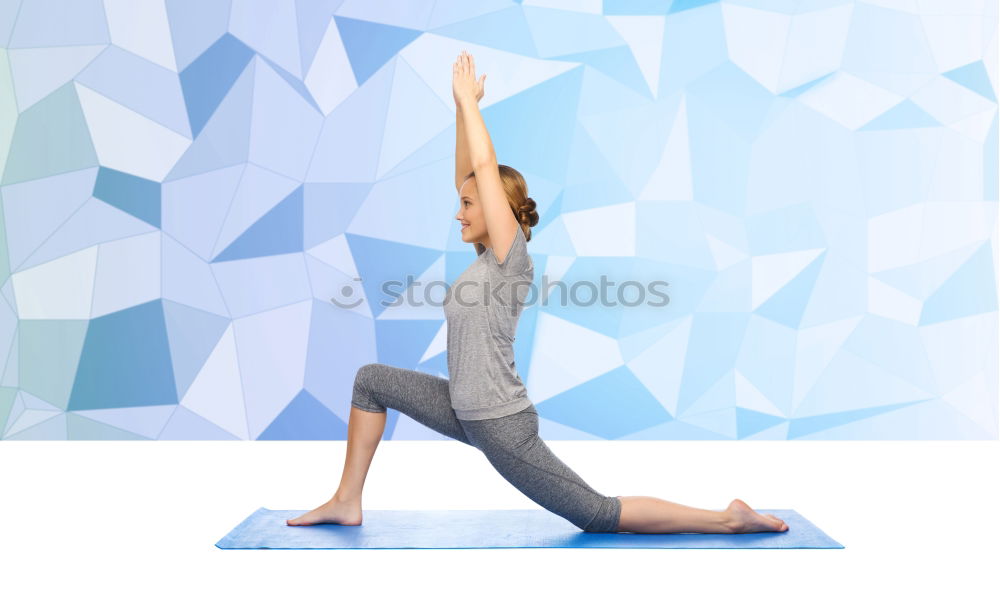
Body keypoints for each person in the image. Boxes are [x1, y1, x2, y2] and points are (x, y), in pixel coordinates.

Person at [287, 51, 788, 535]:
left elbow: (484, 170)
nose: (458, 212)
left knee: (597, 513)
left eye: (468, 204)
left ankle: (727, 517)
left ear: (494, 208)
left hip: (502, 426)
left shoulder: (512, 261)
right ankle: (347, 500)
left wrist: (470, 104)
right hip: (464, 409)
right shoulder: (486, 261)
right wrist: (463, 108)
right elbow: (471, 172)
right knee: (370, 380)